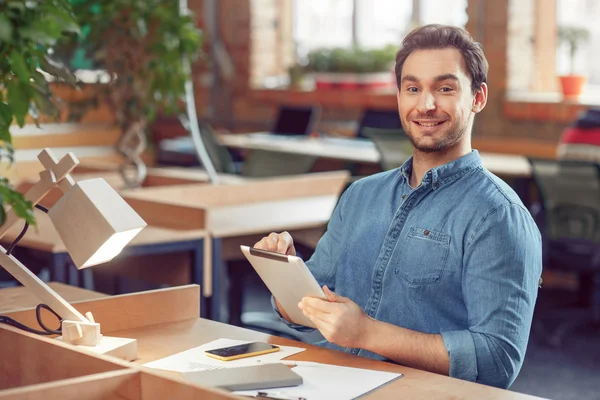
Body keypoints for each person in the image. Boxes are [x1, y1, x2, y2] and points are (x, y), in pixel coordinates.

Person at [254, 24, 542, 389]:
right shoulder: (361, 195)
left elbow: (498, 360)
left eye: (445, 88)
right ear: (399, 96)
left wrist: (366, 334)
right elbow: (308, 312)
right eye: (413, 88)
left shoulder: (498, 216)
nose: (426, 104)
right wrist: (285, 277)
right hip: (330, 386)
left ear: (477, 98)